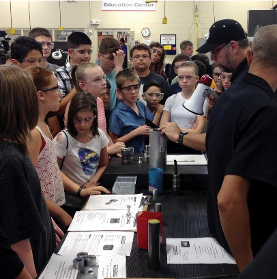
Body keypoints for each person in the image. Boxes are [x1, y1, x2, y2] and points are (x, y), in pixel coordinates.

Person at [206, 24, 277, 272]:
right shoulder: (266, 111)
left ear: (249, 56)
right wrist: (250, 268)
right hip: (248, 247)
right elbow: (229, 199)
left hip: (223, 237)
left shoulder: (228, 96)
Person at [160, 19, 249, 153]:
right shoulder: (238, 83)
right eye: (181, 77)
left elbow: (223, 140)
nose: (212, 58)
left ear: (233, 47)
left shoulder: (246, 84)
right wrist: (217, 106)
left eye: (215, 52)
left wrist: (178, 134)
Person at [0, 65, 55, 277]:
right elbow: (17, 241)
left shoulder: (14, 149)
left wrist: (45, 218)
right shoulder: (9, 160)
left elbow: (22, 204)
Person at [26, 66, 72, 231]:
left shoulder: (44, 125)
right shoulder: (33, 133)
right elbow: (29, 186)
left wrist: (79, 189)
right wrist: (60, 214)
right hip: (44, 212)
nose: (60, 93)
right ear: (40, 95)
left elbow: (51, 167)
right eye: (56, 88)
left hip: (53, 206)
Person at [54, 92, 110, 214]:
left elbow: (103, 164)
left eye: (87, 119)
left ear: (94, 117)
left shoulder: (99, 135)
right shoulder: (63, 138)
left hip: (91, 193)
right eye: (78, 119)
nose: (82, 124)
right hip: (70, 197)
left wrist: (93, 180)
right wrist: (79, 190)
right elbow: (54, 170)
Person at [67, 62, 125, 156]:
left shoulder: (98, 101)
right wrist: (108, 151)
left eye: (103, 77)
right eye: (97, 80)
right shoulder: (74, 106)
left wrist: (114, 147)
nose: (104, 82)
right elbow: (76, 145)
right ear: (83, 86)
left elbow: (103, 132)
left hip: (103, 156)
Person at [109, 69, 151, 153]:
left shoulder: (141, 105)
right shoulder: (117, 114)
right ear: (119, 91)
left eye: (136, 87)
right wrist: (136, 132)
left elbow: (149, 123)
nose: (133, 92)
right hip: (127, 156)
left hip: (142, 153)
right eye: (128, 89)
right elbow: (113, 141)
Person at [160, 61, 206, 133]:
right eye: (180, 77)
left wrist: (174, 129)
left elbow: (198, 131)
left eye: (188, 77)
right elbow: (162, 127)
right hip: (172, 141)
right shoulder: (171, 99)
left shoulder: (202, 101)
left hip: (192, 142)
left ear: (197, 79)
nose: (184, 81)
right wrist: (189, 131)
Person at [55, 31, 92, 119]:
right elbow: (58, 110)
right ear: (71, 53)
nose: (87, 56)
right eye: (82, 52)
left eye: (89, 52)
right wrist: (79, 84)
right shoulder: (59, 74)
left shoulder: (92, 72)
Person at [98, 37, 125, 111]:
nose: (114, 62)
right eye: (110, 58)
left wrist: (119, 67)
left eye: (116, 58)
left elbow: (125, 98)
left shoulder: (120, 73)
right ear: (99, 56)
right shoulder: (93, 75)